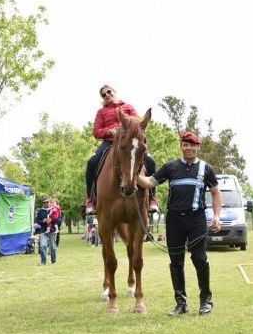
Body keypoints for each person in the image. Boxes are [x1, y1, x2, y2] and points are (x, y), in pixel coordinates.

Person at [137, 131, 221, 316]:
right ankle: (181, 304)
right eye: (185, 144)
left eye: (192, 145)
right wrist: (132, 175)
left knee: (200, 260)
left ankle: (205, 301)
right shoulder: (170, 167)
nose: (188, 148)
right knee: (176, 262)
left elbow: (215, 192)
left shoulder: (206, 169)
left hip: (196, 219)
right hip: (174, 220)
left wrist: (216, 216)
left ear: (198, 147)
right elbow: (150, 182)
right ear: (181, 146)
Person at [84, 84, 158, 215]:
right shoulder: (101, 112)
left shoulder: (127, 107)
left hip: (129, 143)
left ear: (114, 92)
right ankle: (91, 199)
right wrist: (109, 131)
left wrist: (125, 130)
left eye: (108, 92)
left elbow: (139, 123)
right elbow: (96, 132)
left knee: (151, 162)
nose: (107, 95)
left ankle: (152, 198)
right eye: (103, 94)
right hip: (109, 143)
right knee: (92, 162)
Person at [35, 198, 59, 265]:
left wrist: (51, 220)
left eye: (47, 202)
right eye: (44, 202)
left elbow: (58, 219)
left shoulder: (54, 209)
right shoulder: (40, 211)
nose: (46, 203)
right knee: (43, 246)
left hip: (52, 230)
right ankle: (43, 262)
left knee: (53, 247)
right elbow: (37, 221)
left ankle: (54, 261)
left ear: (50, 202)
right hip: (43, 231)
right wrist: (43, 221)